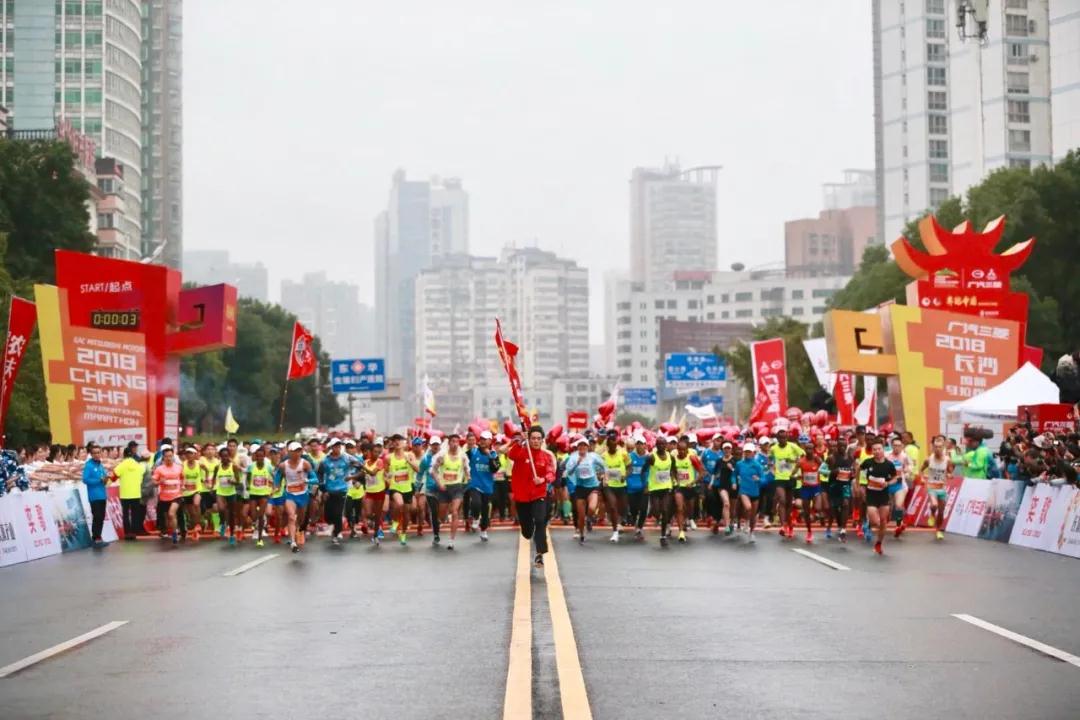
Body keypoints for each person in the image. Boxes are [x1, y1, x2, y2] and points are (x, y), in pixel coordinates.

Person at [503, 426, 557, 566]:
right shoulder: (521, 452)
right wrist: (520, 441)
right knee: (527, 532)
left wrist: (543, 480)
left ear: (542, 440)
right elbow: (511, 455)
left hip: (539, 494)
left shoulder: (546, 456)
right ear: (529, 439)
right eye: (533, 438)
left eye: (539, 439)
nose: (536, 441)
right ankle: (529, 531)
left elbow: (551, 474)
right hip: (522, 497)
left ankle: (540, 554)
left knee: (540, 521)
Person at [431, 433, 471, 550]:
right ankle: (441, 520)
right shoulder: (442, 456)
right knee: (442, 516)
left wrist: (468, 476)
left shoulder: (462, 457)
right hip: (444, 488)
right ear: (449, 443)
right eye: (453, 441)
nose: (455, 444)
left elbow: (466, 468)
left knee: (454, 512)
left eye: (457, 442)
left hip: (457, 487)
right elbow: (433, 471)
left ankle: (451, 540)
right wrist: (439, 483)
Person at [275, 441, 316, 553]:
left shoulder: (305, 464)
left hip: (303, 495)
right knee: (291, 516)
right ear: (289, 452)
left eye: (299, 451)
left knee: (301, 519)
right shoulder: (284, 465)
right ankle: (293, 542)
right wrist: (276, 486)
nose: (297, 453)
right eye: (294, 451)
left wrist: (307, 480)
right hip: (290, 494)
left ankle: (298, 531)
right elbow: (277, 476)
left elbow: (315, 479)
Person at [563, 438, 605, 545]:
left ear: (587, 447)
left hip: (592, 487)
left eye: (584, 446)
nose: (582, 448)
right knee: (580, 516)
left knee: (591, 508)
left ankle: (589, 518)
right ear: (577, 447)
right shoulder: (573, 458)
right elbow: (569, 472)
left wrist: (605, 476)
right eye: (580, 446)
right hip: (580, 488)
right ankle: (582, 534)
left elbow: (604, 465)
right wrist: (577, 463)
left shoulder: (593, 457)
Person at [860, 440, 897, 555]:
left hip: (883, 496)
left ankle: (879, 543)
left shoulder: (889, 465)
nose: (877, 451)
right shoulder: (867, 463)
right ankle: (868, 523)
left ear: (883, 450)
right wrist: (860, 485)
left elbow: (895, 477)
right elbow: (859, 471)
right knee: (875, 522)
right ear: (872, 451)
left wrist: (888, 483)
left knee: (883, 522)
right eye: (874, 449)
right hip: (871, 495)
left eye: (879, 449)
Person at [384, 435, 420, 546]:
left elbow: (418, 469)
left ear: (403, 443)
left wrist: (409, 462)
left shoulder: (410, 455)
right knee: (399, 504)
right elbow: (385, 473)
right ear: (392, 444)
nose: (397, 443)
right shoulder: (389, 457)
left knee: (406, 514)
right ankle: (394, 522)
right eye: (394, 441)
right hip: (395, 487)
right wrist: (388, 479)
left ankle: (403, 533)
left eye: (399, 440)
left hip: (408, 487)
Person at [769, 429, 805, 539]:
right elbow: (770, 460)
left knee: (789, 503)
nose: (782, 439)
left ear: (787, 437)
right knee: (782, 500)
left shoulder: (793, 446)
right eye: (780, 438)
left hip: (791, 477)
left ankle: (790, 527)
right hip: (779, 478)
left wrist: (797, 463)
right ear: (777, 438)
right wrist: (772, 469)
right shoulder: (773, 448)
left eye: (784, 437)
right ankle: (783, 525)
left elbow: (803, 455)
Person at [671, 434, 707, 544]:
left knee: (690, 509)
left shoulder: (692, 458)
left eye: (683, 450)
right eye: (679, 450)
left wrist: (693, 482)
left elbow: (703, 472)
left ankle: (688, 519)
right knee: (679, 507)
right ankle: (681, 531)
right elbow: (672, 471)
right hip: (679, 487)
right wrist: (675, 481)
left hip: (690, 487)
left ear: (687, 450)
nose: (681, 452)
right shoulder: (674, 459)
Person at [642, 437, 676, 547]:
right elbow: (643, 471)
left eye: (663, 444)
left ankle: (663, 536)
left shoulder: (670, 456)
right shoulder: (651, 457)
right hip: (654, 488)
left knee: (665, 510)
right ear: (656, 445)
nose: (661, 446)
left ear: (666, 445)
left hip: (666, 487)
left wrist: (675, 479)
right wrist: (645, 485)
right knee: (657, 512)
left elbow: (673, 469)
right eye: (659, 444)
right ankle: (659, 518)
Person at [466, 431, 499, 541]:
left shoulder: (493, 454)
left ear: (490, 441)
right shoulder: (473, 451)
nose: (483, 441)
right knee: (476, 503)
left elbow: (495, 469)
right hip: (475, 483)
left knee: (485, 510)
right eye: (481, 439)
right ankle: (475, 518)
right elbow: (462, 459)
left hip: (487, 486)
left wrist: (489, 455)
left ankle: (483, 530)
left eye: (485, 439)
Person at [599, 430, 631, 543]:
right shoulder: (603, 456)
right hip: (609, 485)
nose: (613, 446)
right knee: (612, 506)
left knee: (623, 509)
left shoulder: (623, 453)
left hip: (621, 484)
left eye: (615, 444)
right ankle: (615, 531)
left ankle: (620, 521)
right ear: (607, 445)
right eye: (611, 444)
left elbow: (629, 467)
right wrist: (602, 476)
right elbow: (599, 470)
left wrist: (625, 475)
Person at [920, 435, 954, 540]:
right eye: (936, 447)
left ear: (943, 448)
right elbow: (921, 470)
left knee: (941, 511)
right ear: (933, 447)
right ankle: (932, 514)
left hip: (942, 488)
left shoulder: (947, 460)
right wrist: (922, 478)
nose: (938, 449)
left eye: (940, 447)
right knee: (934, 505)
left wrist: (949, 475)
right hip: (931, 486)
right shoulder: (928, 459)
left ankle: (938, 530)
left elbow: (950, 472)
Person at [112, 446, 147, 540]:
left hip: (125, 494)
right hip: (136, 493)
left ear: (124, 455)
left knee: (126, 513)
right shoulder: (138, 465)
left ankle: (127, 533)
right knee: (135, 514)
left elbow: (114, 476)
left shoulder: (122, 465)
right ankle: (134, 532)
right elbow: (142, 474)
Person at [152, 445, 183, 545]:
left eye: (170, 456)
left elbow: (183, 477)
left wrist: (182, 486)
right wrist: (160, 481)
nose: (169, 458)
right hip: (164, 498)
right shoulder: (159, 469)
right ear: (163, 457)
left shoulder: (179, 467)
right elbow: (153, 482)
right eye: (167, 456)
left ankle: (175, 534)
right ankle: (174, 529)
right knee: (168, 518)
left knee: (171, 513)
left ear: (173, 456)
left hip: (177, 496)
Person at [735, 443, 764, 542]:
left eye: (749, 452)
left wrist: (758, 479)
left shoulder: (757, 465)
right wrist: (734, 482)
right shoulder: (739, 464)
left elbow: (764, 479)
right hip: (744, 490)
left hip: (755, 492)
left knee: (753, 514)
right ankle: (745, 523)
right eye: (746, 452)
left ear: (753, 453)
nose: (747, 454)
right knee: (748, 507)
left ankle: (751, 533)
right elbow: (733, 475)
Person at [246, 444, 275, 547]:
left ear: (264, 456)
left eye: (261, 456)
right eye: (257, 456)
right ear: (255, 456)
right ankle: (255, 523)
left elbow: (275, 477)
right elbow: (248, 478)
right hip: (253, 493)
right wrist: (248, 486)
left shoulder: (268, 466)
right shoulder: (251, 466)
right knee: (254, 516)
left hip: (264, 493)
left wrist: (273, 488)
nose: (259, 458)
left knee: (261, 514)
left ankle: (260, 538)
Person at [214, 446, 243, 545]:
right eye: (223, 456)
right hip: (220, 491)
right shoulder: (217, 467)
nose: (225, 458)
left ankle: (231, 535)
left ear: (229, 457)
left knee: (231, 514)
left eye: (226, 456)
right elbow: (214, 478)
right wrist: (211, 486)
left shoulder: (233, 467)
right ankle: (222, 523)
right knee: (221, 508)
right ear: (220, 457)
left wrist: (232, 481)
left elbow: (238, 481)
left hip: (231, 492)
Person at [826, 440, 854, 542]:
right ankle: (840, 524)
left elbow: (853, 470)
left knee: (846, 504)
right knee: (835, 508)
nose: (842, 447)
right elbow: (823, 471)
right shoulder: (831, 458)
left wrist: (852, 474)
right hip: (834, 485)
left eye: (844, 446)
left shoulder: (850, 458)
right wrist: (834, 471)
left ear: (846, 446)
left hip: (845, 484)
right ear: (837, 446)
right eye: (840, 445)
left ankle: (843, 529)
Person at [82, 443, 109, 549]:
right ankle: (96, 538)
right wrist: (99, 480)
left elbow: (104, 478)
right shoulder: (89, 465)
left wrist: (106, 479)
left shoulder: (100, 465)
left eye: (99, 452)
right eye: (95, 453)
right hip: (94, 496)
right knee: (97, 517)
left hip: (102, 495)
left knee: (101, 517)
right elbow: (85, 479)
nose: (97, 455)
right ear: (91, 454)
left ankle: (99, 537)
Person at [886, 437, 913, 538]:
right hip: (888, 484)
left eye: (899, 445)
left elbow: (910, 466)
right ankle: (888, 520)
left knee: (898, 505)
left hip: (900, 485)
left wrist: (907, 471)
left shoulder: (905, 456)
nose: (897, 447)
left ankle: (898, 525)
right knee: (887, 507)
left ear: (902, 446)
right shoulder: (887, 456)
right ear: (892, 446)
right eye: (895, 445)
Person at [626, 434, 650, 541]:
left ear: (645, 445)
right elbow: (626, 470)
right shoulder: (630, 456)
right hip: (631, 487)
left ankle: (639, 529)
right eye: (638, 444)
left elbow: (651, 472)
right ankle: (635, 522)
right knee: (634, 509)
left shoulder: (649, 457)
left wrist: (648, 484)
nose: (640, 446)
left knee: (644, 509)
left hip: (644, 487)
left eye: (642, 444)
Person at [179, 447, 203, 541]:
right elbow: (179, 476)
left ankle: (198, 524)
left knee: (196, 504)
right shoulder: (182, 465)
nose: (189, 455)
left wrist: (207, 481)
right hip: (186, 491)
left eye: (191, 453)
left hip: (197, 489)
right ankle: (196, 527)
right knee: (191, 513)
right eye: (187, 454)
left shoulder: (199, 464)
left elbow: (208, 472)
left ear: (195, 455)